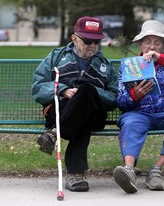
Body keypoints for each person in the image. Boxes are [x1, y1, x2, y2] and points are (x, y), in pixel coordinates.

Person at [32, 16, 118, 192]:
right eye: (87, 41)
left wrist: (91, 92)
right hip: (59, 109)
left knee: (87, 91)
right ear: (74, 38)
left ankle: (55, 133)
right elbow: (38, 87)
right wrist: (62, 90)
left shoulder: (105, 66)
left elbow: (114, 97)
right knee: (82, 119)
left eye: (96, 41)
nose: (92, 45)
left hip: (93, 113)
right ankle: (75, 174)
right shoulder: (56, 57)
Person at [113, 20, 164, 193]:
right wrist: (135, 95)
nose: (152, 46)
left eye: (157, 42)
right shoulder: (129, 65)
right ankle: (129, 171)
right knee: (130, 123)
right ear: (140, 44)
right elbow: (120, 102)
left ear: (163, 45)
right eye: (148, 42)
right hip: (139, 112)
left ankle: (156, 170)